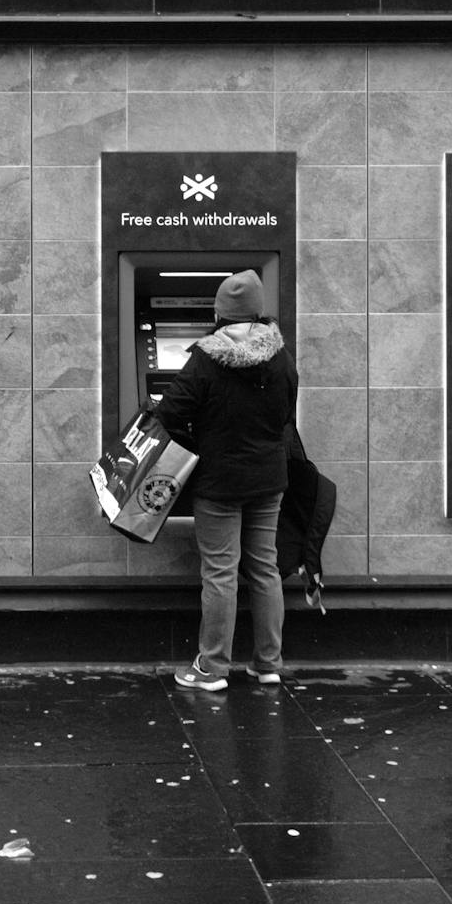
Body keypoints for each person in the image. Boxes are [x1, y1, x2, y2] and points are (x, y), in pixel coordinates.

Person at [154, 269, 299, 692]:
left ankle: (213, 667)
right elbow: (285, 415)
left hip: (220, 481)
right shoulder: (281, 357)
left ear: (219, 312)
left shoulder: (206, 359)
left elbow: (169, 414)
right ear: (259, 311)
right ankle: (268, 663)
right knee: (264, 568)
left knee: (220, 572)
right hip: (269, 478)